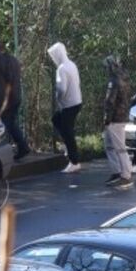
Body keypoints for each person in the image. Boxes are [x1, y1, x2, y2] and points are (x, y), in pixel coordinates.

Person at [48, 42, 83, 173]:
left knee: (67, 132)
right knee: (58, 121)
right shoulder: (72, 65)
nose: (53, 59)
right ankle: (69, 148)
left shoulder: (61, 69)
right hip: (76, 101)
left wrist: (58, 97)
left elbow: (61, 88)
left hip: (68, 104)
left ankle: (74, 162)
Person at [102, 55, 133, 188]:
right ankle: (117, 172)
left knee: (119, 148)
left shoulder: (113, 81)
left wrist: (106, 118)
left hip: (115, 118)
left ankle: (126, 175)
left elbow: (110, 101)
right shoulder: (124, 79)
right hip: (122, 116)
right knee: (110, 145)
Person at [1, 43, 30, 160]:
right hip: (16, 96)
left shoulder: (3, 61)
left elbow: (7, 79)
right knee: (11, 124)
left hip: (9, 98)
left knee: (6, 125)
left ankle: (8, 151)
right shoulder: (13, 60)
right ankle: (23, 147)